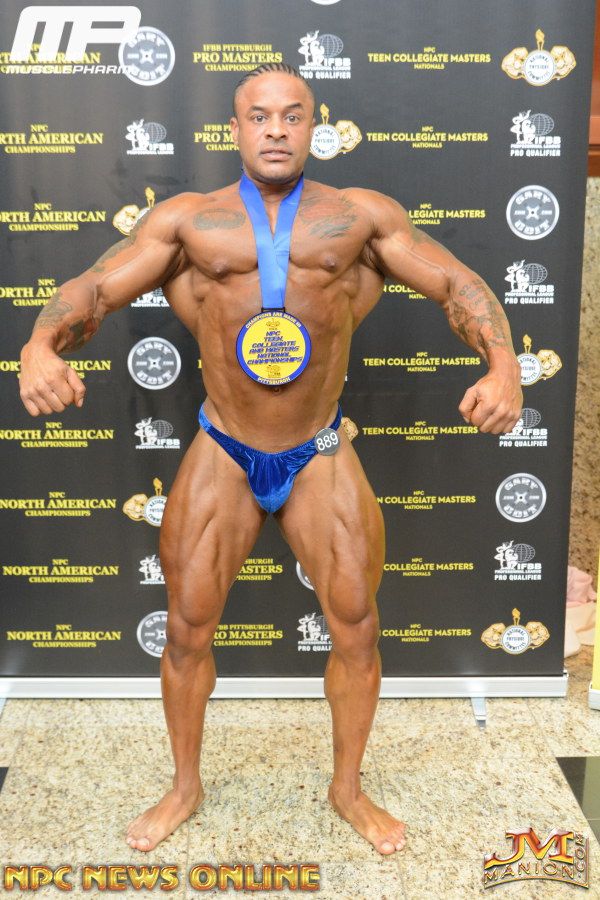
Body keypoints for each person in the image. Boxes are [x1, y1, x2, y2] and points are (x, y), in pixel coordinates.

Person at [18, 63, 523, 855]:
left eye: (293, 115)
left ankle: (347, 789)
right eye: (260, 116)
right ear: (235, 129)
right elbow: (97, 288)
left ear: (314, 126)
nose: (277, 129)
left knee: (356, 627)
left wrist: (503, 363)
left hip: (317, 448)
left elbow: (456, 283)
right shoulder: (188, 222)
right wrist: (40, 344)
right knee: (187, 629)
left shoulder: (359, 217)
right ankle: (185, 786)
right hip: (225, 444)